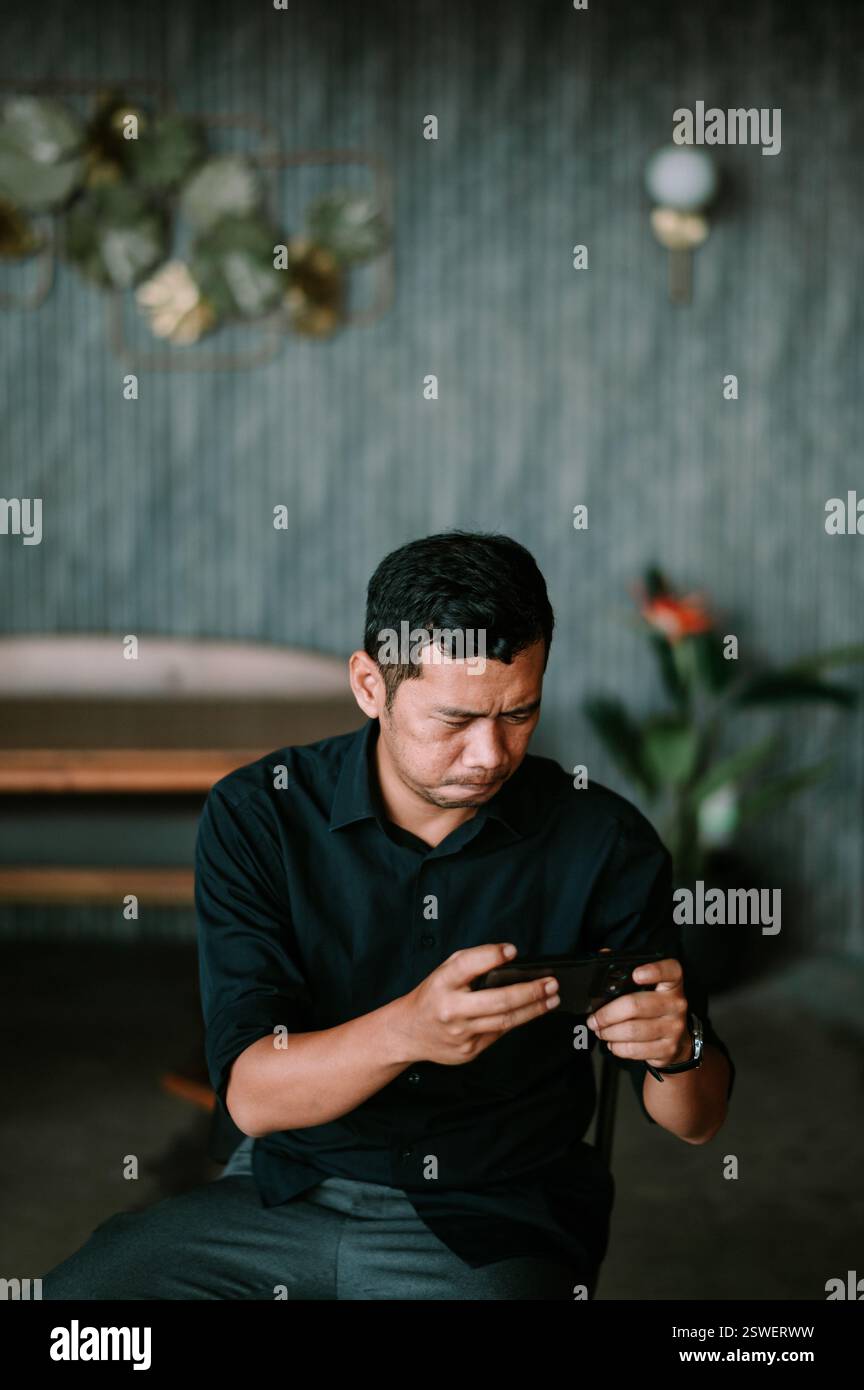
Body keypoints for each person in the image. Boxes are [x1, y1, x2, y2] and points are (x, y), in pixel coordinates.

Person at [43, 530, 735, 1301]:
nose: (489, 755)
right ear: (371, 687)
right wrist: (411, 1030)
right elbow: (251, 1096)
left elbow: (696, 1122)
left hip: (496, 1219)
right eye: (455, 720)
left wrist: (681, 1047)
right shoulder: (260, 815)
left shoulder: (602, 839)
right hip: (280, 1196)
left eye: (519, 714)